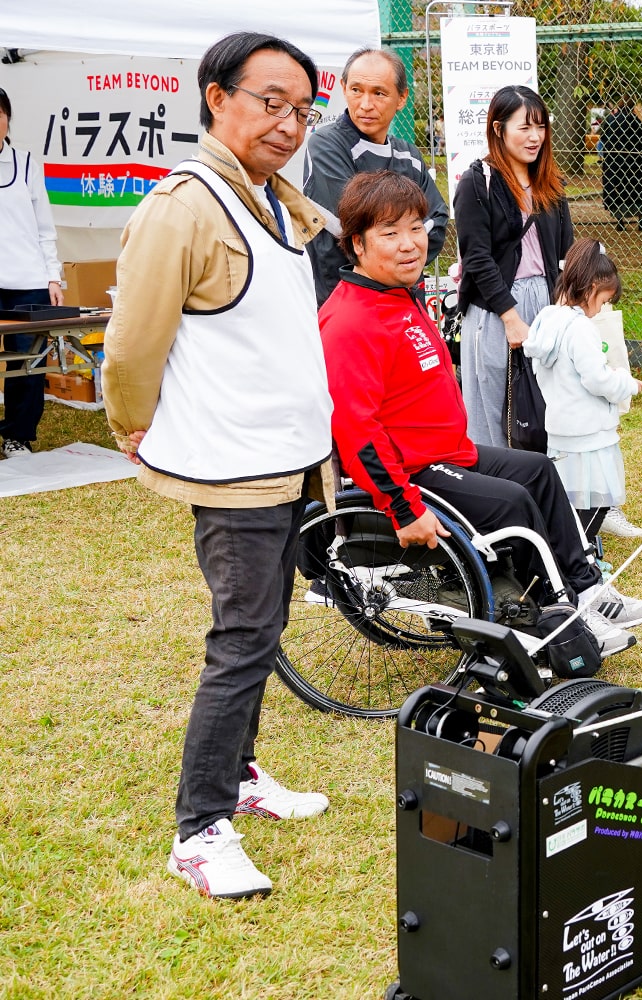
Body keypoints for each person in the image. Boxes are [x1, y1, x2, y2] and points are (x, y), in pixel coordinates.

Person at [101, 31, 334, 900]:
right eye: (269, 101)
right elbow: (131, 343)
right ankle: (199, 829)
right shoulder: (186, 205)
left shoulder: (272, 199)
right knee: (241, 641)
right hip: (233, 468)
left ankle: (238, 776)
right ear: (217, 97)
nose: (288, 122)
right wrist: (133, 424)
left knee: (264, 629)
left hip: (284, 461)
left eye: (303, 108)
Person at [319, 172, 642, 655]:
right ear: (357, 243)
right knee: (511, 501)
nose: (409, 244)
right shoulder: (351, 320)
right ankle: (556, 615)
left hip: (446, 452)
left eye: (415, 228)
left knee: (539, 470)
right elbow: (355, 429)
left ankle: (587, 590)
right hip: (411, 470)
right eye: (389, 233)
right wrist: (402, 507)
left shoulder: (400, 297)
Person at [454, 85, 573, 449]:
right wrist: (509, 316)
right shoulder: (478, 182)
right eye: (524, 127)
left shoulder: (550, 183)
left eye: (541, 127)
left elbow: (565, 250)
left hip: (547, 302)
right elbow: (477, 257)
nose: (535, 137)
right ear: (498, 128)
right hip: (496, 308)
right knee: (494, 412)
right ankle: (499, 496)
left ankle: (544, 492)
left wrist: (570, 305)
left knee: (543, 408)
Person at [302, 47, 448, 306]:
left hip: (407, 302)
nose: (366, 104)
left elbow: (438, 221)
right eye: (356, 90)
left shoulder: (409, 154)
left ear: (401, 98)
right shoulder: (325, 145)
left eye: (379, 93)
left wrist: (389, 238)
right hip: (345, 303)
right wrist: (409, 240)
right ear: (344, 87)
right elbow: (354, 227)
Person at [523, 239, 642, 553]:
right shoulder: (580, 329)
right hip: (590, 432)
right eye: (603, 300)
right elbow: (597, 378)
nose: (602, 309)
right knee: (597, 501)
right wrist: (626, 382)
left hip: (562, 428)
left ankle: (575, 552)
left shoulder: (547, 319)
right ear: (591, 289)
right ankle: (579, 557)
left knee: (571, 501)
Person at [0, 87, 64, 457]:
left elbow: (44, 229)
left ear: (8, 117)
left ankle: (17, 435)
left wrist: (52, 277)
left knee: (29, 366)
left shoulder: (26, 164)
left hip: (29, 284)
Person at [599, 99, 642, 231]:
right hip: (633, 163)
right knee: (635, 190)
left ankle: (620, 220)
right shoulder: (636, 122)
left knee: (617, 191)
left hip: (614, 163)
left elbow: (603, 138)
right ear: (632, 108)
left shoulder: (610, 121)